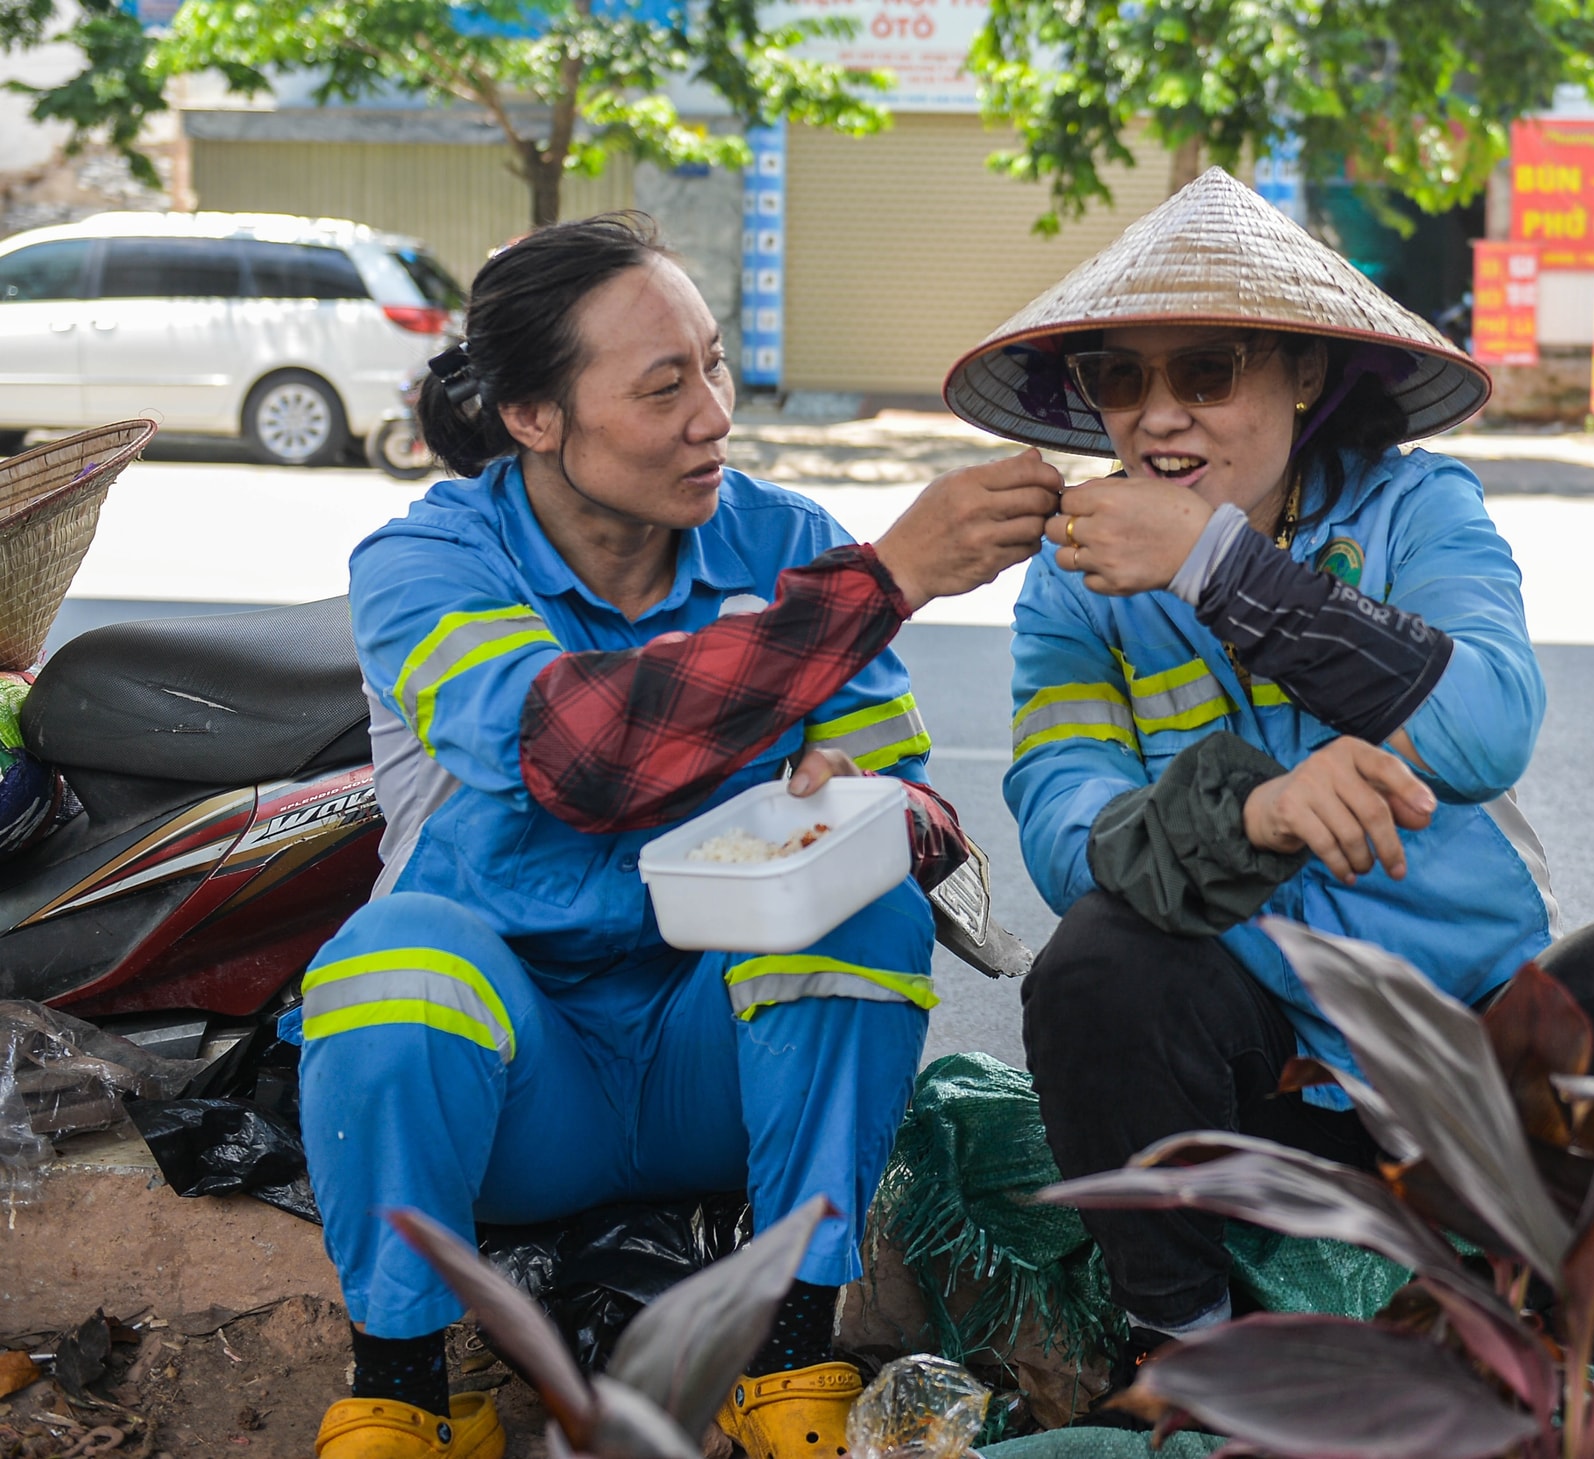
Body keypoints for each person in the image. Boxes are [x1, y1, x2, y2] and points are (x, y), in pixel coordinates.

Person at [943, 169, 1594, 1376]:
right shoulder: (1070, 582)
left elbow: (1484, 726)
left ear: (1302, 376)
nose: (1158, 417)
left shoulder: (1421, 510)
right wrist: (1252, 813)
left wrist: (1216, 565)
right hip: (1254, 1086)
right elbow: (1066, 831)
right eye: (1122, 377)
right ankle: (1185, 1351)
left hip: (1464, 1057)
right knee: (1094, 966)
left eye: (1207, 371)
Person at [300, 213, 1060, 1459]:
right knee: (395, 958)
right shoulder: (427, 560)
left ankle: (788, 1366)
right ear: (535, 417)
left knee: (861, 898)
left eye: (713, 365)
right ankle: (406, 1391)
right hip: (516, 1085)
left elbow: (925, 815)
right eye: (665, 386)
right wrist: (888, 580)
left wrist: (859, 803)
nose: (714, 413)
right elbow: (578, 751)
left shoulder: (784, 541)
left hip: (720, 1065)